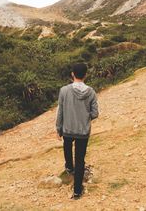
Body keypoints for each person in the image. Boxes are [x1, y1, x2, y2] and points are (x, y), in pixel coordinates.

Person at [56, 63, 99, 200]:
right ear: (86, 75)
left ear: (72, 74)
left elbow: (60, 112)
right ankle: (77, 192)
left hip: (68, 128)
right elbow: (95, 113)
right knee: (80, 160)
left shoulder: (64, 91)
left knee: (67, 146)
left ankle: (69, 167)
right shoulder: (91, 92)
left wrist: (59, 128)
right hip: (83, 131)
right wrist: (85, 118)